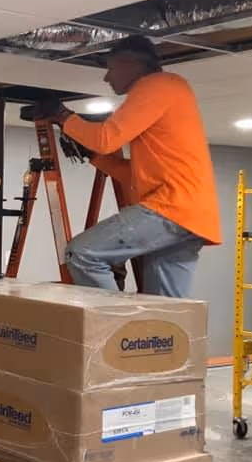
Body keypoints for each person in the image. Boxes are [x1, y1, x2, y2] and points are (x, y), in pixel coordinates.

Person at [50, 35, 221, 298]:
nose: (107, 78)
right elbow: (134, 174)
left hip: (171, 208)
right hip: (191, 215)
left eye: (111, 68)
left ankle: (117, 325)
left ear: (131, 64)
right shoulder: (171, 91)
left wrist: (62, 116)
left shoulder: (158, 85)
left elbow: (106, 139)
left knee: (81, 253)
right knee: (165, 307)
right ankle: (151, 336)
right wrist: (95, 157)